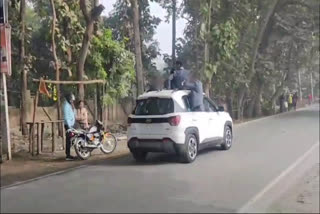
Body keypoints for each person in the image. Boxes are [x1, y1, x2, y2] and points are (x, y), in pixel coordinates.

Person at [63, 92, 76, 161]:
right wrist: (69, 127)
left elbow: (73, 114)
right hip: (68, 125)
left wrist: (74, 109)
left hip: (71, 125)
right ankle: (67, 155)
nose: (72, 101)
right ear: (68, 99)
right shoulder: (66, 106)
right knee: (68, 140)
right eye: (71, 100)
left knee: (72, 139)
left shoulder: (69, 105)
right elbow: (66, 117)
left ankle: (70, 154)